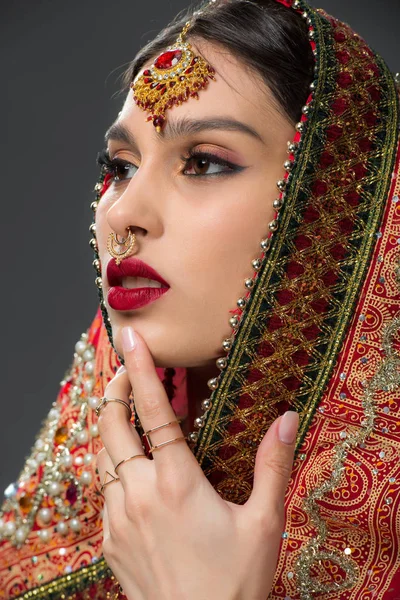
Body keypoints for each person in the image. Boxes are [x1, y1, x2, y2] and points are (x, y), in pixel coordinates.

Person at [1, 0, 399, 598]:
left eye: (205, 162)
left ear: (332, 207)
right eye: (121, 166)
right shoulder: (80, 541)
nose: (125, 213)